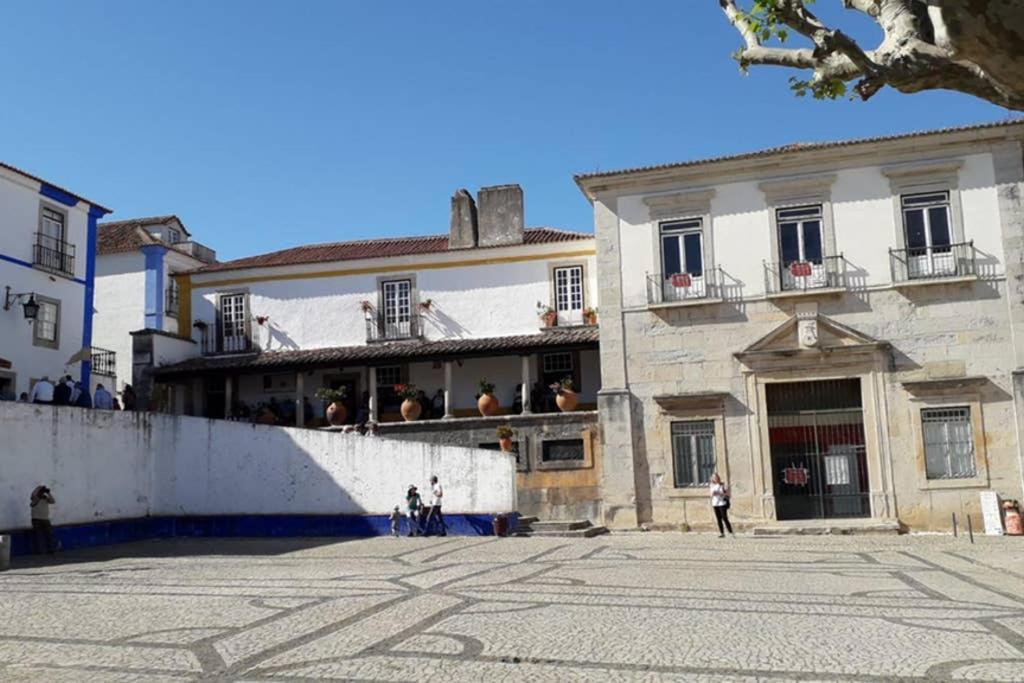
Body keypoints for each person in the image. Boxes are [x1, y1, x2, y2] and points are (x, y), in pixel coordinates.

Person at [30, 485, 57, 554]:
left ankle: (50, 549)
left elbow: (53, 501)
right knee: (39, 536)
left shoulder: (45, 498)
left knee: (49, 535)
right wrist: (38, 488)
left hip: (45, 519)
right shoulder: (35, 498)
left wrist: (48, 493)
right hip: (36, 519)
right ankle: (40, 551)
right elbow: (33, 495)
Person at [709, 472, 734, 538]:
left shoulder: (723, 485)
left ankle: (730, 532)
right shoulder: (712, 486)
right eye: (714, 478)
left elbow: (728, 494)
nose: (715, 479)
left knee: (724, 518)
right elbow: (711, 495)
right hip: (715, 504)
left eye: (716, 477)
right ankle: (722, 533)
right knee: (718, 519)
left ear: (718, 478)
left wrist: (720, 493)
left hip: (722, 503)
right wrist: (713, 494)